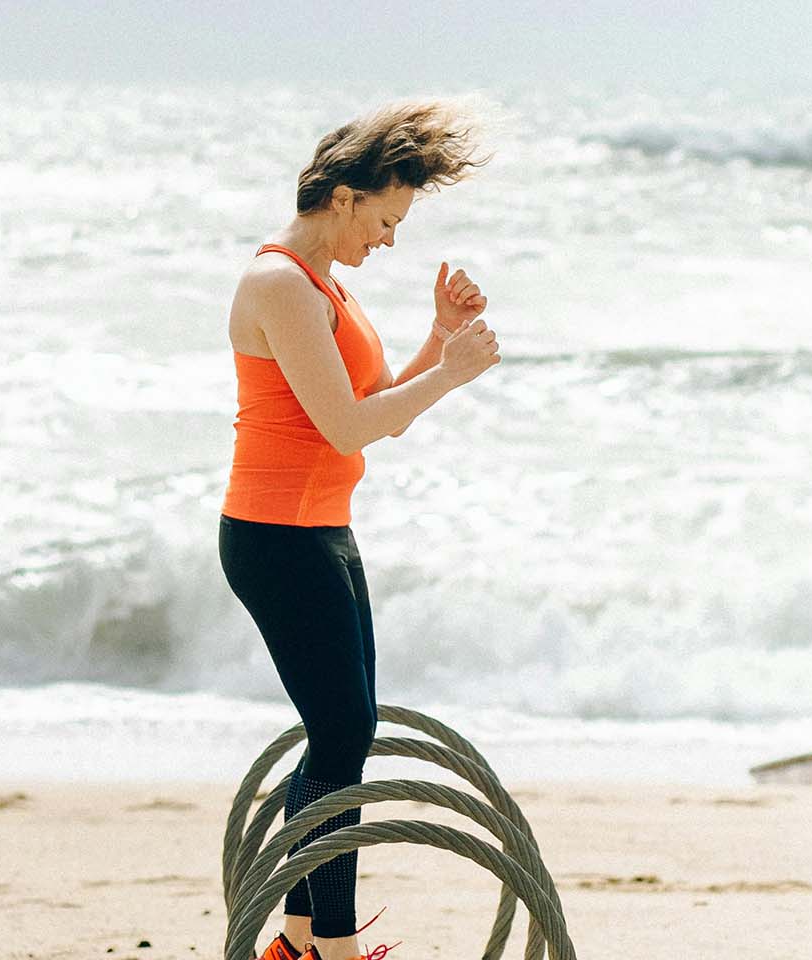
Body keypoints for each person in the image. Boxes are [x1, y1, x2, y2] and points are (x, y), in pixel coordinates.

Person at [217, 99, 499, 960]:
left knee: (349, 730)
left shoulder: (329, 290)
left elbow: (380, 413)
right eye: (385, 219)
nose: (388, 240)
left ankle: (302, 942)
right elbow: (345, 426)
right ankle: (328, 950)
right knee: (341, 734)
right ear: (341, 196)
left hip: (323, 532)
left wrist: (437, 342)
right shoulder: (278, 285)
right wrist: (449, 376)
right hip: (274, 538)